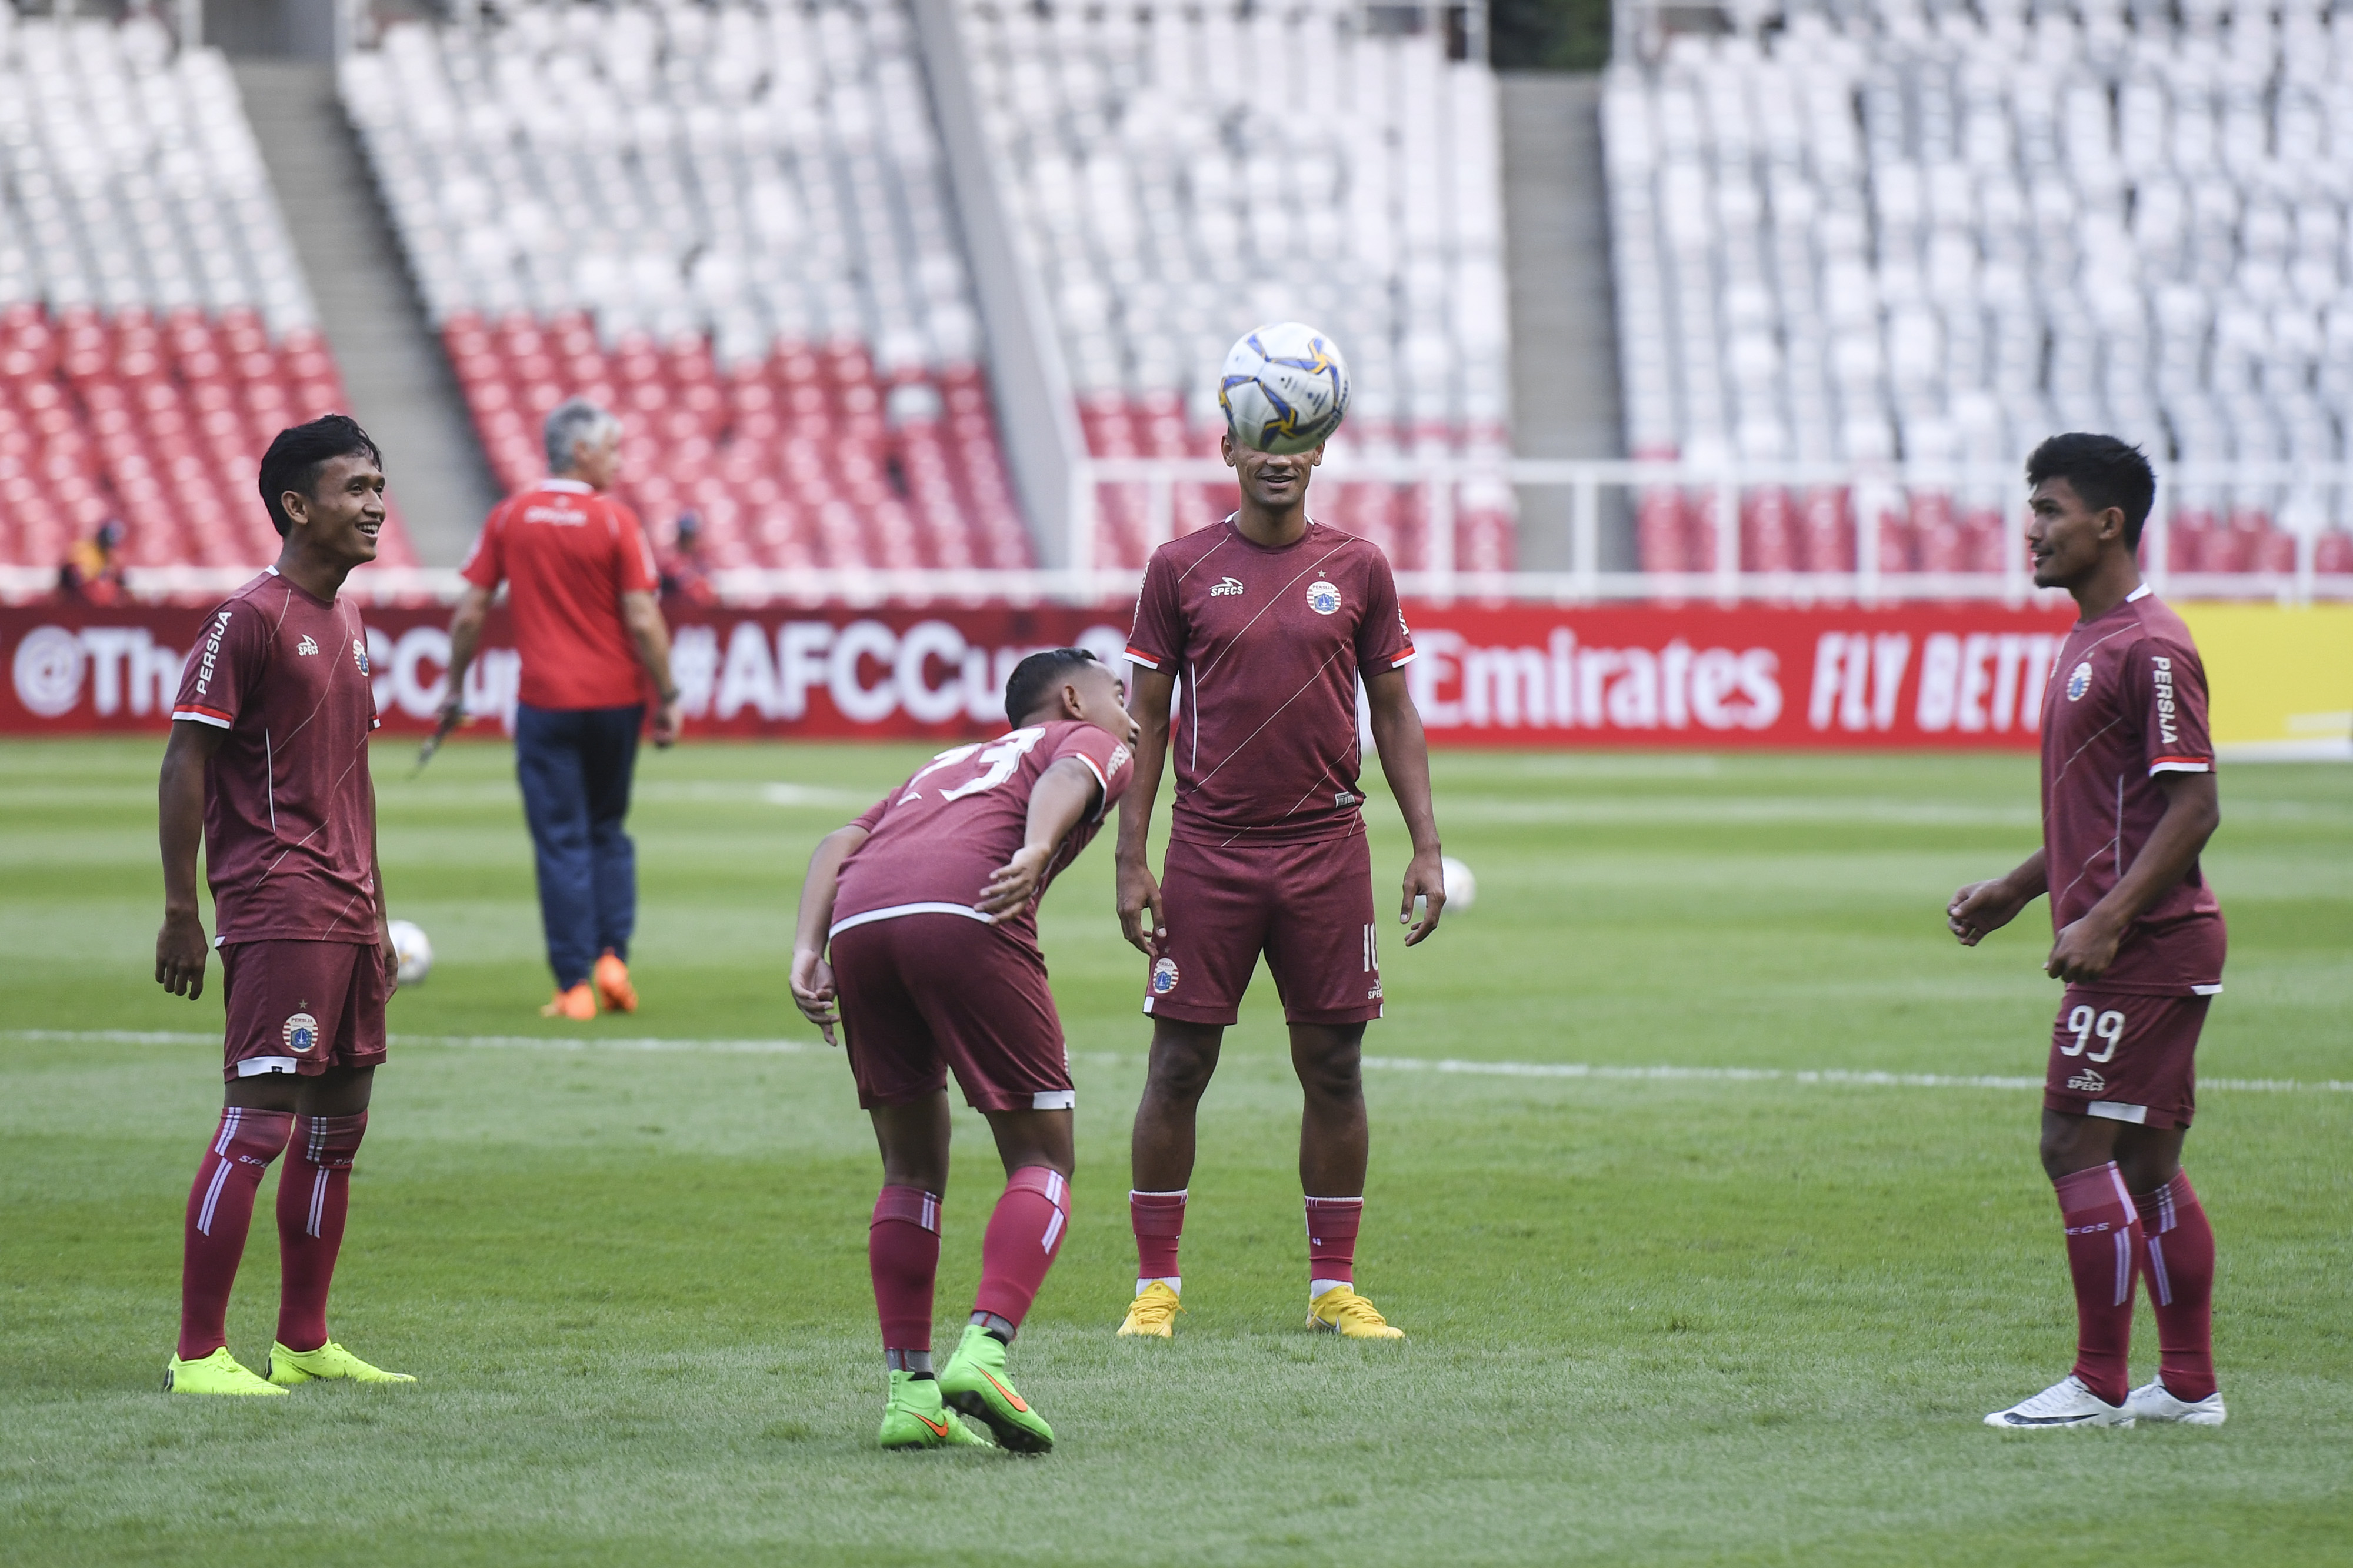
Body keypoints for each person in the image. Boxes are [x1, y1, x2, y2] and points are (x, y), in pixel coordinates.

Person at [1112, 366, 1447, 1343]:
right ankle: (1155, 1287)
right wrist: (1132, 860)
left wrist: (1427, 844)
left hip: (1326, 850)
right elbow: (1146, 718)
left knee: (1335, 1068)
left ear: (1319, 452)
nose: (1276, 457)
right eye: (1260, 438)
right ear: (1228, 450)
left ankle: (1331, 1288)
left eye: (1295, 441)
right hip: (1209, 850)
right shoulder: (1177, 568)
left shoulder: (1362, 566)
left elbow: (1394, 710)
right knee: (1177, 1065)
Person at [790, 649, 1140, 1451]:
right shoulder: (1086, 740)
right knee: (1043, 1155)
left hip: (859, 924)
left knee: (911, 1168)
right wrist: (1037, 848)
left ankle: (910, 1395)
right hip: (966, 910)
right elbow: (1072, 776)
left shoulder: (948, 761)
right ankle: (984, 1350)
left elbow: (840, 839)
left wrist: (806, 949)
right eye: (1119, 695)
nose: (1134, 714)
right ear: (1071, 696)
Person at [1950, 434, 2227, 1430]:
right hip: (2152, 942)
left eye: (2052, 508)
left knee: (2072, 1142)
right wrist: (2022, 889)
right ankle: (2188, 1386)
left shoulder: (2148, 648)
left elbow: (2193, 807)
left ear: (2108, 523)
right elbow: (2111, 814)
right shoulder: (2091, 639)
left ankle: (2098, 1383)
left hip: (2147, 948)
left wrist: (2106, 920)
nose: (2032, 527)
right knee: (2148, 1164)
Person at [154, 415, 412, 1396]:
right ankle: (198, 1354)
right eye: (356, 488)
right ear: (297, 506)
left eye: (379, 486)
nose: (376, 505)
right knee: (258, 1123)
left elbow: (356, 776)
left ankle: (303, 1341)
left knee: (337, 1130)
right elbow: (187, 760)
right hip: (278, 899)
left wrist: (379, 912)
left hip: (347, 908)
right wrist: (183, 908)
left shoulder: (348, 620)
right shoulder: (250, 618)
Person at [440, 398, 684, 1020]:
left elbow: (470, 610)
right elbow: (642, 616)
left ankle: (574, 985)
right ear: (581, 452)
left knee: (560, 841)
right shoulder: (616, 522)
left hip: (546, 703)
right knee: (608, 830)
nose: (620, 461)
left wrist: (454, 686)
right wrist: (669, 695)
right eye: (613, 447)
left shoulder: (510, 515)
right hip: (616, 701)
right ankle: (613, 958)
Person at [58, 517, 128, 603]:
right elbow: (75, 576)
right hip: (78, 594)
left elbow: (115, 577)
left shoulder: (110, 555)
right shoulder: (83, 549)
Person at [658, 509, 716, 606]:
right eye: (686, 537)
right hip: (681, 613)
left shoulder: (704, 563)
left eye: (692, 536)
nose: (690, 541)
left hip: (703, 614)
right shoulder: (671, 564)